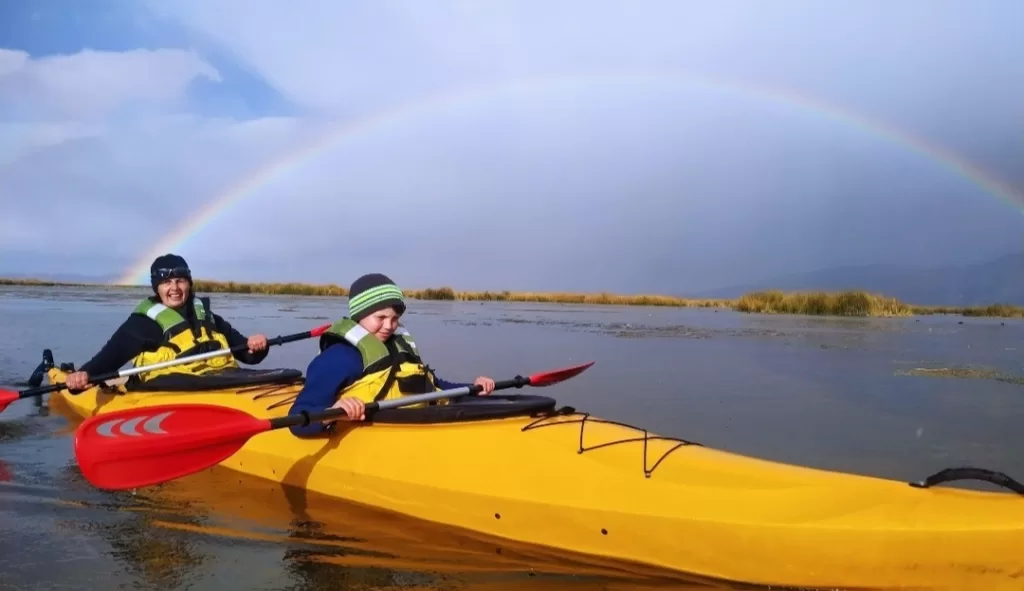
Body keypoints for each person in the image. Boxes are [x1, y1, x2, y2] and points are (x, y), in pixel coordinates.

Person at [287, 273, 495, 436]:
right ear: (360, 315)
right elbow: (298, 418)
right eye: (381, 317)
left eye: (394, 318)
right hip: (375, 436)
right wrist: (332, 412)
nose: (389, 326)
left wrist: (471, 388)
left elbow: (432, 384)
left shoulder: (399, 346)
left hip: (419, 425)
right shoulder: (339, 357)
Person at [65, 254, 270, 391]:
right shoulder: (142, 324)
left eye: (180, 280)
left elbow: (247, 355)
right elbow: (107, 360)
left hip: (223, 383)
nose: (174, 288)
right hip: (172, 394)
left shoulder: (207, 316)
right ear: (157, 288)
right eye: (166, 282)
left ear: (189, 284)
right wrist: (83, 376)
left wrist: (257, 346)